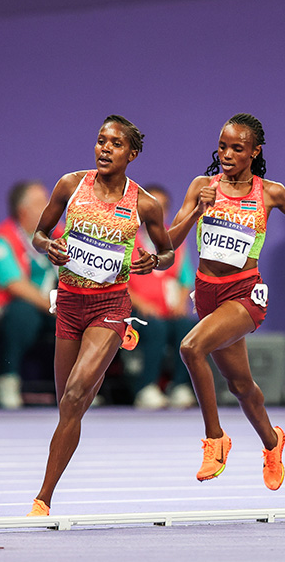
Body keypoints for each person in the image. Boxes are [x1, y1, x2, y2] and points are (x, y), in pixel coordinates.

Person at [167, 113, 285, 491]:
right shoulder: (202, 186)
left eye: (237, 148)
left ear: (254, 152)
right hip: (207, 294)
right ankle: (273, 443)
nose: (226, 154)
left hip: (244, 295)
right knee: (241, 385)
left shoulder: (270, 192)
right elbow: (169, 244)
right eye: (222, 146)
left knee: (190, 348)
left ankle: (215, 439)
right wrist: (195, 212)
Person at [26, 115, 174, 516]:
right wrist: (47, 247)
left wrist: (151, 261)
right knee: (69, 406)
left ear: (132, 154)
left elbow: (167, 253)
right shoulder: (70, 185)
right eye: (100, 141)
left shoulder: (144, 203)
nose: (104, 148)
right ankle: (56, 470)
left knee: (75, 396)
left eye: (114, 143)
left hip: (110, 308)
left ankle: (42, 499)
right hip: (70, 306)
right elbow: (39, 235)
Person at [0, 180, 58, 409]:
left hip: (49, 307)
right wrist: (51, 305)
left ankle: (77, 387)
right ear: (23, 211)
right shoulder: (0, 240)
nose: (50, 207)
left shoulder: (57, 235)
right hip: (11, 309)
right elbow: (14, 284)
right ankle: (8, 378)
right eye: (41, 203)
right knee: (22, 313)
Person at [121, 183, 197, 410]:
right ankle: (145, 388)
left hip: (166, 311)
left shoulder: (172, 241)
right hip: (133, 310)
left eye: (161, 207)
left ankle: (179, 386)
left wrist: (180, 302)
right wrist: (141, 303)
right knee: (155, 328)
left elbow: (185, 279)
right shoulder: (125, 238)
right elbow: (116, 280)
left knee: (187, 327)